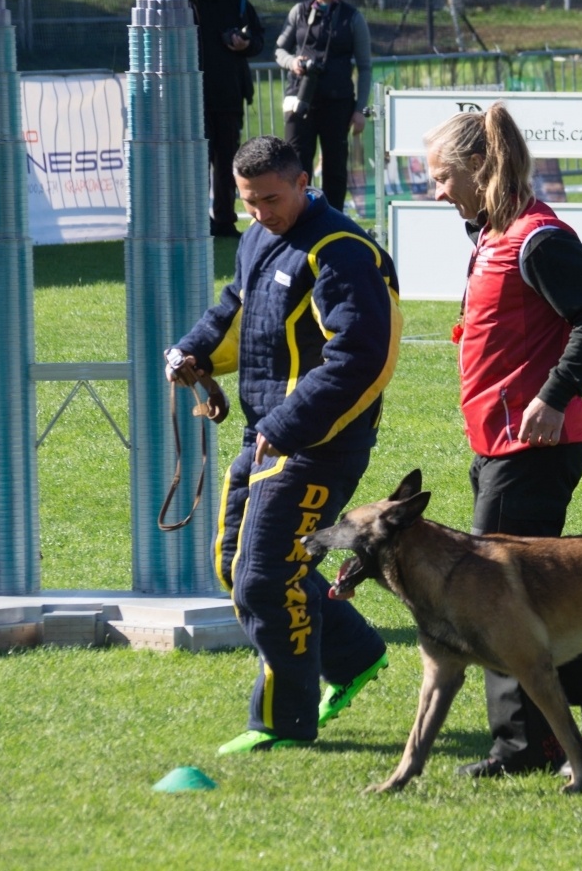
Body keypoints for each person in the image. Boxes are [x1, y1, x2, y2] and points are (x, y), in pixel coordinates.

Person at [423, 102, 582, 779]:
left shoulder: (537, 238)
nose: (437, 192)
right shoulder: (495, 233)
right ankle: (543, 733)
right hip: (500, 442)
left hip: (536, 446)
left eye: (442, 177)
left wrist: (554, 395)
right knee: (506, 598)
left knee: (493, 599)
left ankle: (572, 722)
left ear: (479, 167)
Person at [165, 135, 399, 754]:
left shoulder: (341, 252)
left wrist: (287, 424)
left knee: (265, 581)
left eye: (271, 199)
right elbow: (233, 312)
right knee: (234, 566)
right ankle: (353, 654)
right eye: (248, 203)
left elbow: (361, 358)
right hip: (266, 434)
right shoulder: (257, 239)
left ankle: (283, 723)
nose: (260, 213)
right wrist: (193, 353)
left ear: (304, 181)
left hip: (318, 443)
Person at [181, 0, 265, 238]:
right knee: (196, 162)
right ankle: (197, 221)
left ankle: (225, 220)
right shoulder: (178, 1)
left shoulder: (237, 0)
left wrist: (244, 44)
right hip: (190, 96)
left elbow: (259, 40)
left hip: (229, 93)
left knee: (228, 160)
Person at [274, 0, 373, 207]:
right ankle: (298, 216)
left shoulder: (353, 18)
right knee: (295, 165)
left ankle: (334, 221)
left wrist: (360, 109)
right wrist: (293, 62)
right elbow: (279, 51)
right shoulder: (299, 12)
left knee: (335, 167)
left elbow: (365, 66)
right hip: (300, 99)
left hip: (337, 102)